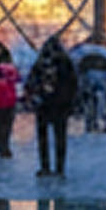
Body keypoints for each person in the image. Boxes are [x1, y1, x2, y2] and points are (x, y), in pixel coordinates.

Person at [28, 38, 78, 176]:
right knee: (60, 137)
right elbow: (73, 84)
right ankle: (60, 167)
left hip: (43, 105)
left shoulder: (40, 63)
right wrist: (70, 102)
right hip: (60, 105)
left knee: (43, 137)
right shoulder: (66, 63)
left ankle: (45, 166)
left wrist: (34, 97)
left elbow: (31, 82)